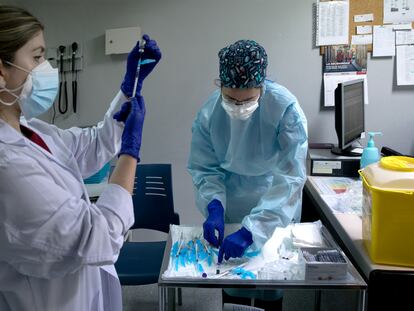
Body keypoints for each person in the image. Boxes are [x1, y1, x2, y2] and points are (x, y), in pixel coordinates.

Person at [0, 5, 161, 311]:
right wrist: (130, 154)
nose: (45, 67)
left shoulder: (30, 129)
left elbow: (90, 146)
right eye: (36, 57)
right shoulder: (6, 166)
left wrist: (130, 89)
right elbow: (99, 235)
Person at [188, 39, 308, 310]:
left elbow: (290, 178)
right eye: (231, 98)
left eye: (248, 99)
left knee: (270, 280)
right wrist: (214, 205)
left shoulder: (286, 110)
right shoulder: (209, 112)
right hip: (232, 204)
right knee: (232, 278)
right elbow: (204, 167)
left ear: (262, 87)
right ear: (219, 85)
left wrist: (253, 230)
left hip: (274, 204)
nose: (239, 106)